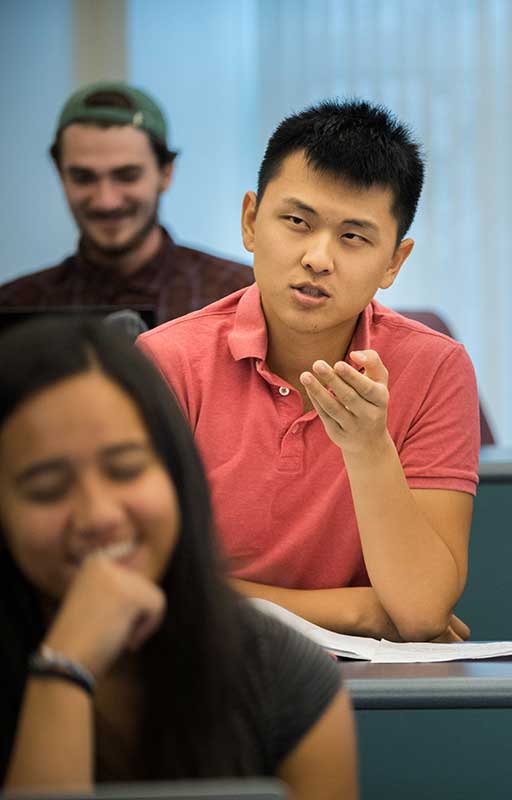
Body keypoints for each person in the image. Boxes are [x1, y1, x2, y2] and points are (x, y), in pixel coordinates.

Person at [138, 100, 479, 643]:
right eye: (297, 222)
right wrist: (360, 614)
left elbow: (419, 612)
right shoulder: (165, 363)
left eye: (354, 236)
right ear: (251, 220)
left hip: (372, 690)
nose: (318, 258)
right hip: (201, 671)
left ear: (394, 260)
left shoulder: (435, 367)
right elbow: (144, 584)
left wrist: (368, 447)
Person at [0, 317, 356, 795]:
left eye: (125, 469)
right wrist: (65, 666)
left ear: (177, 474)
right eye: (47, 489)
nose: (99, 514)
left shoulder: (279, 673)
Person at [0, 81, 253, 324]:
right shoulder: (14, 305)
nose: (106, 201)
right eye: (83, 177)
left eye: (127, 176)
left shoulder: (240, 296)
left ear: (165, 173)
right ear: (60, 174)